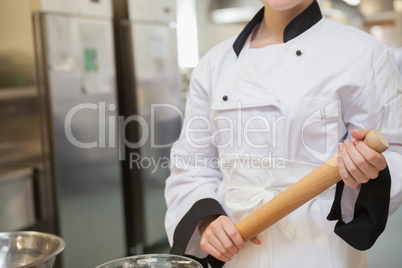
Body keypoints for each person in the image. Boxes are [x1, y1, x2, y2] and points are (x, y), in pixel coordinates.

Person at [164, 0, 402, 267]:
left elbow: (394, 152)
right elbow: (191, 165)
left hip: (319, 248)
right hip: (236, 246)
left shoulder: (364, 53)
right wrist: (207, 221)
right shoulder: (213, 64)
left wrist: (368, 171)